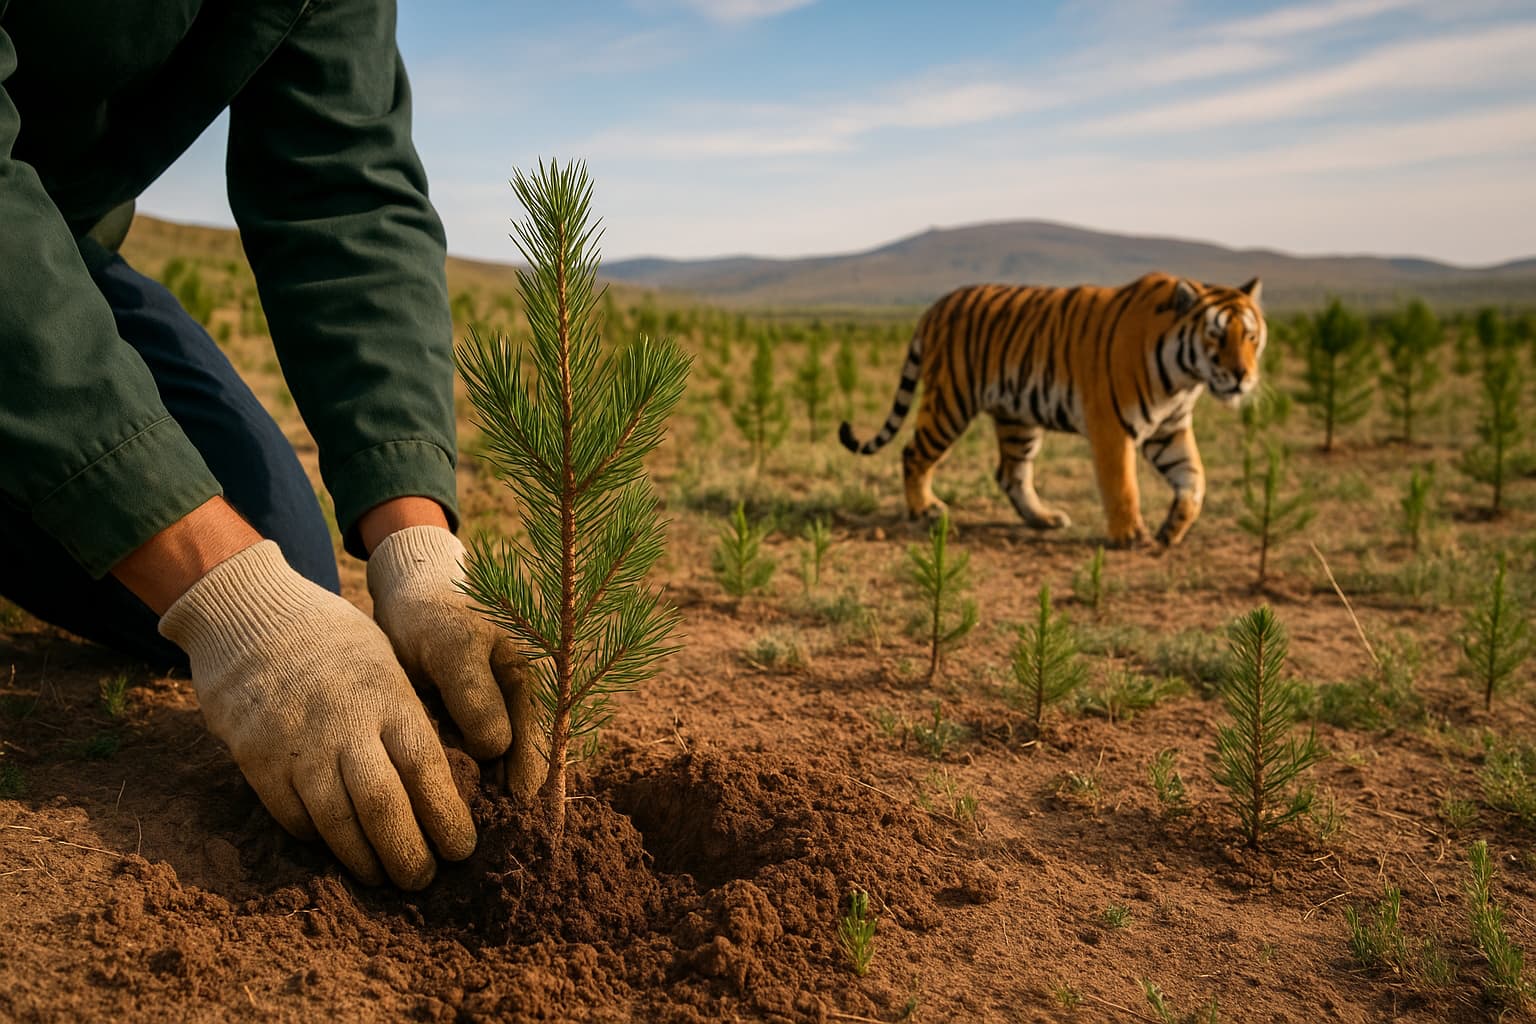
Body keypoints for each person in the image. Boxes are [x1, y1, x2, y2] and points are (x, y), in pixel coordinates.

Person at [0, 0, 535, 890]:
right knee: (227, 578)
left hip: (52, 243)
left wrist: (417, 543)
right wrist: (221, 592)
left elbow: (345, 181)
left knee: (280, 546)